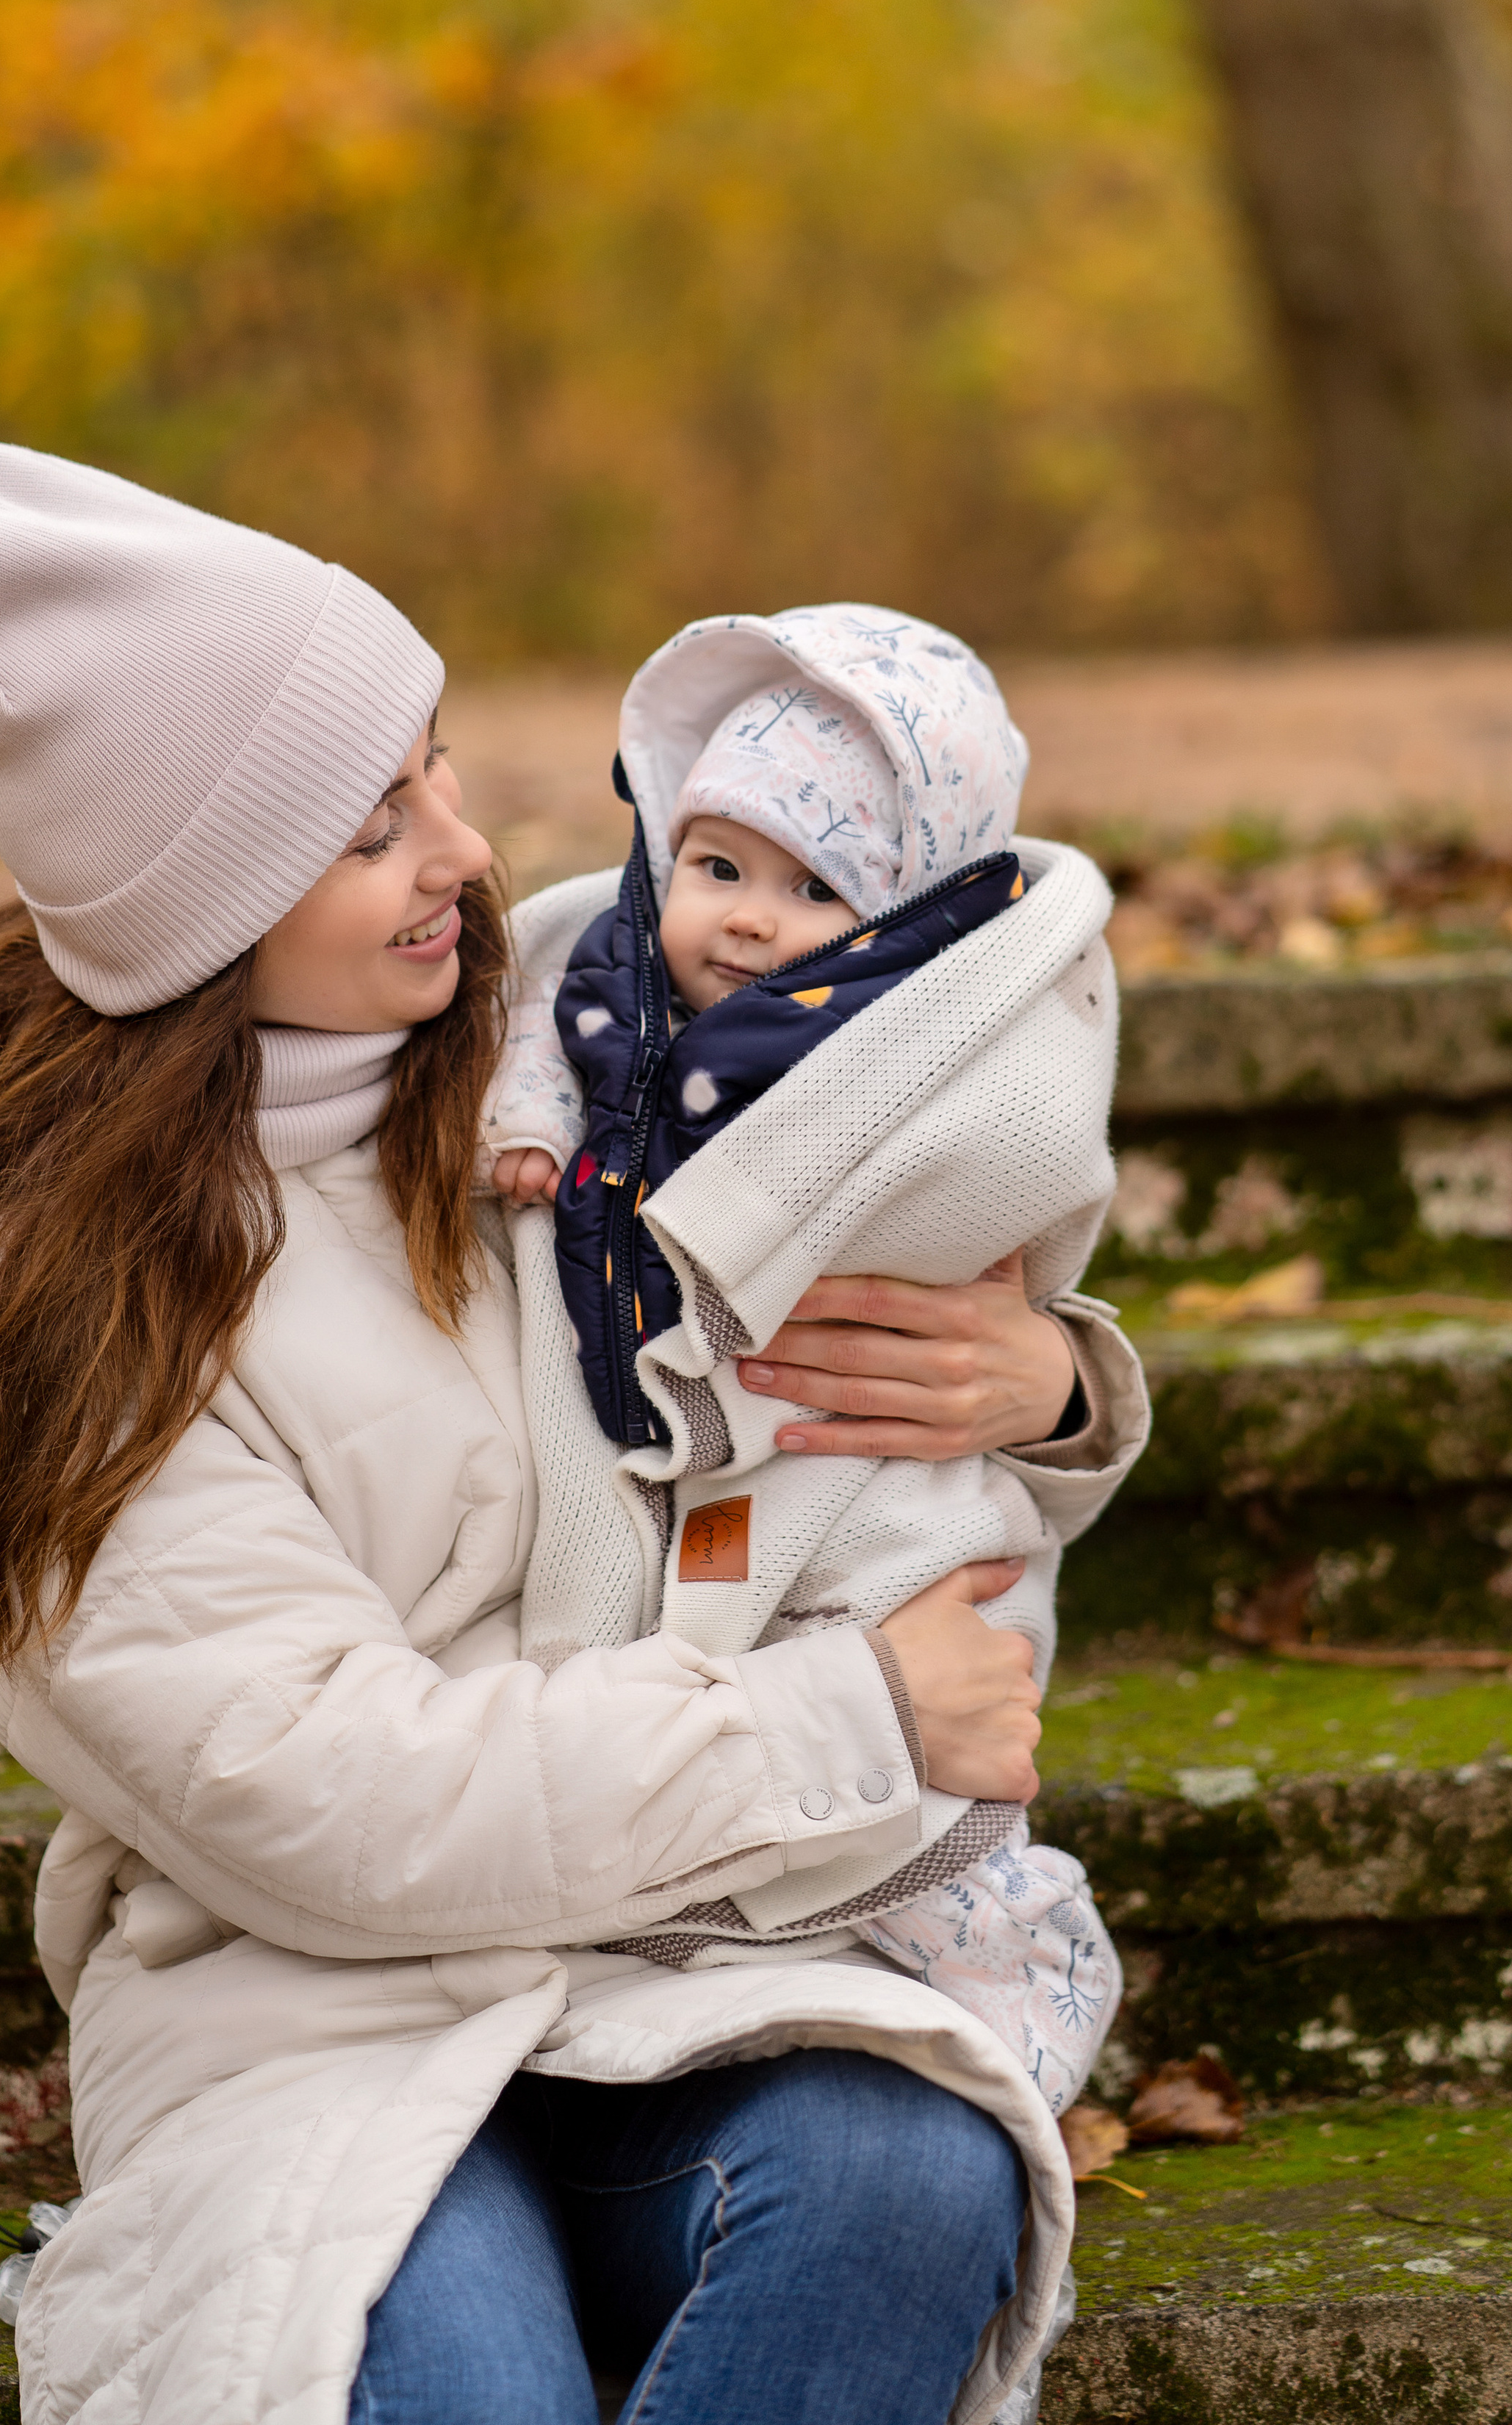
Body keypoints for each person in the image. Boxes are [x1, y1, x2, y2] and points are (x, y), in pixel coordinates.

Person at [0, 436, 1147, 2425]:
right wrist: (852, 1723)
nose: (463, 849)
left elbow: (846, 1383)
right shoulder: (42, 1318)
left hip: (686, 1970)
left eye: (437, 770)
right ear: (211, 901)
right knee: (463, 2388)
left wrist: (1045, 1386)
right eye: (373, 826)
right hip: (318, 2017)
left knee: (909, 2179)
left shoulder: (562, 1056)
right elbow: (338, 1797)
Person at [480, 607, 1145, 2108]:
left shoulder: (937, 1032)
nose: (747, 922)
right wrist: (530, 1129)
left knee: (896, 1651)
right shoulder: (589, 980)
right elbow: (528, 1036)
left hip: (844, 1472)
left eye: (813, 891)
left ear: (906, 919)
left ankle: (969, 1939)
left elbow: (1002, 1169)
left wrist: (1054, 1383)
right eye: (716, 868)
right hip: (611, 1519)